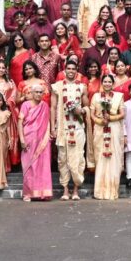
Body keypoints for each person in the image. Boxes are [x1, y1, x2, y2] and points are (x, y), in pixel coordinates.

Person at [51, 60, 88, 200]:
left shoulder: (82, 87)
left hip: (77, 128)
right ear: (64, 70)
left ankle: (76, 190)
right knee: (63, 159)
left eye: (73, 69)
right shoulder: (57, 87)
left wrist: (81, 110)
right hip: (62, 128)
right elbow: (53, 108)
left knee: (78, 157)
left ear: (77, 70)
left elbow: (87, 107)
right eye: (69, 68)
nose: (71, 71)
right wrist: (53, 127)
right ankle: (65, 189)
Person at [90, 74, 125, 200]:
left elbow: (122, 114)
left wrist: (110, 118)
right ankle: (100, 191)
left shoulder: (119, 97)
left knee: (114, 156)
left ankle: (112, 191)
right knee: (100, 156)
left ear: (113, 83)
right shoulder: (96, 96)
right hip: (100, 129)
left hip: (114, 128)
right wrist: (100, 122)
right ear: (102, 83)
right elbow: (92, 114)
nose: (107, 84)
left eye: (110, 82)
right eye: (105, 81)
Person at [18, 83, 53, 201]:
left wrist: (49, 134)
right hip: (29, 138)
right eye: (36, 92)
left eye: (40, 92)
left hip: (43, 140)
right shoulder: (25, 105)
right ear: (31, 93)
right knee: (29, 166)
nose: (38, 94)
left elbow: (47, 122)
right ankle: (28, 193)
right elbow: (20, 122)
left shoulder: (44, 105)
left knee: (43, 166)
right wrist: (22, 139)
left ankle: (43, 193)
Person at [84, 59, 103, 170]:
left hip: (99, 112)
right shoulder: (84, 81)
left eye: (95, 66)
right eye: (91, 67)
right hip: (87, 112)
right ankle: (90, 164)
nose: (93, 69)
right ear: (87, 69)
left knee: (99, 138)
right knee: (89, 137)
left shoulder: (102, 80)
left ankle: (100, 163)